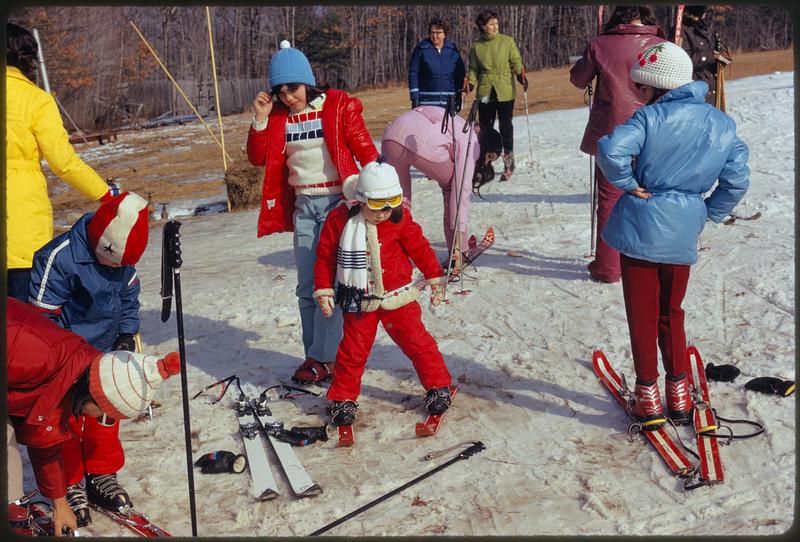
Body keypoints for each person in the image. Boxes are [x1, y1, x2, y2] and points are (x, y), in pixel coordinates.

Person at [596, 41, 749, 428]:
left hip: (641, 228)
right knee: (671, 312)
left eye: (643, 89)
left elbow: (611, 149)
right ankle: (678, 392)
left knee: (642, 316)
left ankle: (648, 396)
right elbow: (737, 179)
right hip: (683, 229)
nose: (641, 96)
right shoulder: (721, 123)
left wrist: (628, 183)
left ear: (657, 88)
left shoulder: (648, 119)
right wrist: (708, 211)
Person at [247, 41, 379, 385]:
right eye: (281, 91)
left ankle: (329, 358)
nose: (288, 96)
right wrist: (260, 120)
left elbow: (363, 145)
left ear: (307, 81)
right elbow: (257, 158)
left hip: (339, 205)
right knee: (307, 286)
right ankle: (314, 355)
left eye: (293, 88)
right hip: (304, 207)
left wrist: (383, 185)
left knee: (331, 286)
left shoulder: (335, 106)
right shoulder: (277, 117)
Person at [6, 297, 180, 535]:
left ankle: (11, 508)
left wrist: (59, 502)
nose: (99, 419)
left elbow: (46, 434)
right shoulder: (37, 354)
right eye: (104, 413)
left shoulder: (73, 372)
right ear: (96, 393)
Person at [26, 192, 150, 527]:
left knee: (106, 414)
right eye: (113, 262)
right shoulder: (59, 259)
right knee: (66, 417)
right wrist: (67, 360)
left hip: (105, 348)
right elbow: (41, 318)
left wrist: (126, 333)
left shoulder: (123, 265)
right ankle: (71, 481)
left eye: (124, 265)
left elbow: (129, 298)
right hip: (65, 354)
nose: (118, 269)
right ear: (102, 243)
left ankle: (101, 473)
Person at [312, 161, 453, 427]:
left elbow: (420, 247)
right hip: (359, 299)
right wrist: (324, 288)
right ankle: (343, 398)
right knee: (352, 353)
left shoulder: (399, 219)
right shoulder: (340, 219)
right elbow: (326, 256)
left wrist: (434, 276)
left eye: (391, 205)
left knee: (418, 343)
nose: (384, 214)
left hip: (398, 296)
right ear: (361, 199)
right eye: (377, 207)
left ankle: (438, 386)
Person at [5, 22, 115, 301]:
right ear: (25, 57)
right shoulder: (36, 101)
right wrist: (105, 193)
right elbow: (63, 162)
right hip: (19, 228)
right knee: (20, 326)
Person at [570, 6, 666, 284]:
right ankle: (648, 263)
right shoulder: (661, 45)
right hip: (653, 130)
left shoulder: (601, 43)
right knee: (651, 196)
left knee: (610, 199)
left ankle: (609, 266)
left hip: (613, 132)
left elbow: (578, 79)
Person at [380, 106, 481, 272]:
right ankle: (459, 251)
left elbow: (426, 115)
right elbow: (460, 191)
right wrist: (461, 233)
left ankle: (393, 254)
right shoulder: (473, 142)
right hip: (421, 144)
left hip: (390, 136)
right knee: (451, 188)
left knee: (398, 200)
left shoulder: (457, 120)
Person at [466, 10, 525, 181]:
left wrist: (521, 76)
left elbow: (515, 61)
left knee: (506, 126)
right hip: (485, 91)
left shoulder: (507, 41)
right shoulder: (477, 46)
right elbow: (474, 68)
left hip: (505, 90)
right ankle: (485, 161)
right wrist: (470, 83)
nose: (495, 26)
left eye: (496, 23)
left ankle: (508, 162)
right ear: (483, 27)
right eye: (491, 24)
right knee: (485, 128)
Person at [408, 18, 466, 111]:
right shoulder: (421, 49)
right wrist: (415, 97)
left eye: (438, 32)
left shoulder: (452, 50)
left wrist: (458, 96)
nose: (434, 36)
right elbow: (413, 73)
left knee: (449, 126)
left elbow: (460, 74)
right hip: (426, 102)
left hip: (449, 102)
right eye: (432, 32)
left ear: (444, 34)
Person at [679, 5, 731, 106]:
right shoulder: (681, 29)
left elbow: (709, 52)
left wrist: (721, 58)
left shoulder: (702, 26)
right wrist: (712, 56)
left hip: (710, 86)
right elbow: (684, 60)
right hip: (694, 88)